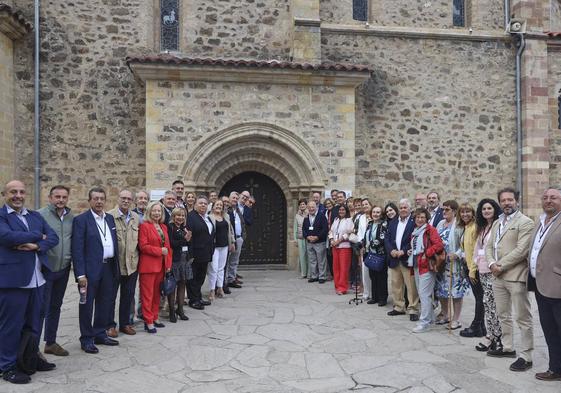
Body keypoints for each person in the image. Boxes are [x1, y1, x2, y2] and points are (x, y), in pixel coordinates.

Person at [0, 180, 58, 384]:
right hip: (13, 281)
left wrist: (35, 245)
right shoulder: (1, 217)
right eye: (13, 192)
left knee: (34, 324)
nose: (18, 195)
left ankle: (30, 359)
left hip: (38, 280)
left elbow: (53, 237)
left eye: (21, 192)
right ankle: (7, 367)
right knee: (11, 326)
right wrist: (37, 235)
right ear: (4, 194)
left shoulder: (35, 216)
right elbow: (7, 237)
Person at [485, 187, 534, 372]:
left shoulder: (525, 222)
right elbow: (489, 246)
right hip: (497, 277)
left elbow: (521, 250)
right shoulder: (498, 222)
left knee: (523, 317)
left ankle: (527, 356)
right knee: (502, 314)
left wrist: (499, 266)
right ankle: (507, 348)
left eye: (510, 200)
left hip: (515, 276)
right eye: (503, 200)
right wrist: (491, 264)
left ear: (517, 201)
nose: (507, 203)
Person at [72, 187, 120, 353]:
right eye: (96, 199)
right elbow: (77, 249)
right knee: (86, 305)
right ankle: (86, 338)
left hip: (108, 268)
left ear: (105, 201)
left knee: (104, 303)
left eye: (102, 199)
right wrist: (80, 274)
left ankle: (100, 333)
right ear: (90, 201)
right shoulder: (81, 220)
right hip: (89, 271)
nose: (99, 201)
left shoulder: (110, 219)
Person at [527, 187, 561, 381]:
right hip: (541, 286)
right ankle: (555, 368)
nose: (549, 200)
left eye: (554, 197)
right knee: (549, 330)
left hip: (558, 286)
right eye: (546, 197)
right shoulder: (540, 222)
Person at [37, 185, 73, 357]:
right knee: (40, 309)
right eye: (57, 196)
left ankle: (50, 342)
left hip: (64, 269)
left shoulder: (71, 217)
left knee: (55, 306)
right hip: (46, 269)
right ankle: (33, 348)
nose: (60, 200)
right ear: (50, 198)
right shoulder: (39, 215)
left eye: (64, 197)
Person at [107, 189, 140, 336]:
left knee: (128, 295)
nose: (126, 201)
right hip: (114, 265)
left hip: (131, 265)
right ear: (118, 199)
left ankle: (125, 324)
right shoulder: (109, 216)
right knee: (110, 297)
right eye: (123, 198)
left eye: (129, 198)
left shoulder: (135, 217)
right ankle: (110, 325)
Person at [473, 198, 503, 353]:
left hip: (494, 270)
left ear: (495, 209)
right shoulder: (483, 227)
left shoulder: (498, 226)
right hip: (483, 270)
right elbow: (478, 247)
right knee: (487, 303)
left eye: (489, 208)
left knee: (494, 306)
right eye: (484, 209)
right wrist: (476, 263)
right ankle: (491, 335)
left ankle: (497, 337)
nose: (486, 211)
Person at [408, 208, 444, 333]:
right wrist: (411, 251)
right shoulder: (416, 231)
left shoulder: (430, 230)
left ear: (426, 218)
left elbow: (439, 245)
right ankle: (430, 318)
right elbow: (416, 247)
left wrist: (426, 253)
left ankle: (424, 322)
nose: (419, 219)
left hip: (427, 266)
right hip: (417, 265)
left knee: (424, 295)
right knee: (423, 294)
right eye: (417, 217)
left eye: (422, 217)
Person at [138, 202, 172, 333]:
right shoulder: (145, 226)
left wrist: (168, 264)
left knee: (158, 294)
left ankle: (155, 316)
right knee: (148, 295)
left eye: (159, 211)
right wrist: (159, 251)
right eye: (154, 211)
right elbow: (143, 246)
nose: (157, 213)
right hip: (148, 266)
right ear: (149, 212)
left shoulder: (163, 227)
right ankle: (148, 321)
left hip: (162, 266)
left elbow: (168, 248)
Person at [435, 200, 469, 329]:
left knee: (456, 292)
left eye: (447, 209)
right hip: (441, 263)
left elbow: (465, 244)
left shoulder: (460, 225)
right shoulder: (440, 223)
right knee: (442, 291)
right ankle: (445, 314)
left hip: (454, 264)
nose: (444, 212)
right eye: (443, 209)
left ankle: (456, 319)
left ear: (454, 211)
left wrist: (457, 254)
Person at [384, 198, 419, 321]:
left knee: (411, 286)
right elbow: (387, 238)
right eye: (401, 207)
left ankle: (413, 309)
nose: (403, 210)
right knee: (396, 284)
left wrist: (403, 251)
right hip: (394, 258)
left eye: (405, 207)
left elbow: (414, 239)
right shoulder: (393, 221)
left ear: (410, 209)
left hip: (407, 258)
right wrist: (391, 250)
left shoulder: (414, 222)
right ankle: (399, 307)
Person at [457, 203, 485, 338]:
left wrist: (472, 270)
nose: (465, 214)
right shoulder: (466, 227)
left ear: (473, 213)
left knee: (480, 298)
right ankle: (482, 327)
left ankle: (476, 326)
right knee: (479, 297)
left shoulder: (474, 228)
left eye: (467, 212)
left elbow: (477, 250)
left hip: (475, 268)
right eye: (462, 212)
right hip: (468, 266)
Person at [186, 195, 215, 310]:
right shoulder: (191, 217)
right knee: (193, 278)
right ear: (195, 204)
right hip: (195, 254)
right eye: (200, 203)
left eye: (205, 203)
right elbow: (190, 237)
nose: (203, 205)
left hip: (206, 253)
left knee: (201, 277)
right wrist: (190, 255)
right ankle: (193, 300)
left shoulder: (206, 217)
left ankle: (198, 297)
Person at [167, 208, 192, 322]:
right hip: (174, 260)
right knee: (173, 286)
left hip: (184, 260)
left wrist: (189, 239)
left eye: (182, 215)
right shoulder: (170, 227)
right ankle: (172, 311)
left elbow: (188, 242)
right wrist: (184, 239)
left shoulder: (184, 228)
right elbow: (172, 244)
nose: (180, 217)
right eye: (178, 215)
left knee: (182, 284)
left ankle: (180, 309)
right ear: (173, 216)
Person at [208, 199, 234, 300]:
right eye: (217, 205)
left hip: (224, 245)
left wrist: (232, 242)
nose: (219, 206)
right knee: (213, 269)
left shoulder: (226, 216)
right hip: (214, 246)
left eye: (221, 205)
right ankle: (212, 290)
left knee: (221, 268)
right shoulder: (209, 217)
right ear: (213, 206)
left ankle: (220, 288)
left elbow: (230, 230)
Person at [363, 205, 389, 306]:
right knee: (373, 276)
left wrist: (374, 243)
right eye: (374, 212)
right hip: (371, 253)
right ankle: (375, 297)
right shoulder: (370, 224)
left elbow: (384, 238)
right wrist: (362, 243)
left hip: (381, 254)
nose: (375, 214)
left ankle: (383, 298)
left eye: (378, 212)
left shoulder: (384, 224)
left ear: (381, 214)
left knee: (381, 277)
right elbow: (366, 236)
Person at [329, 205, 354, 294]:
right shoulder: (336, 220)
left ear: (346, 211)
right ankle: (337, 286)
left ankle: (342, 288)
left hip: (344, 246)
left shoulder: (349, 220)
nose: (341, 211)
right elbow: (331, 231)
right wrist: (332, 240)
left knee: (344, 268)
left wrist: (338, 241)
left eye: (343, 210)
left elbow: (349, 232)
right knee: (336, 267)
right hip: (335, 246)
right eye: (340, 210)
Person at [303, 200, 329, 283]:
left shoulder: (321, 216)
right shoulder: (306, 217)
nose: (311, 209)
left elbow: (325, 229)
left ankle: (322, 276)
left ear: (316, 207)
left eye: (313, 207)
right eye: (309, 207)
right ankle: (314, 276)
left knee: (321, 260)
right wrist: (307, 236)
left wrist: (317, 237)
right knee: (312, 260)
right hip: (309, 242)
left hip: (319, 242)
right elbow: (304, 229)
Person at [226, 191, 245, 289]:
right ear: (229, 199)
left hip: (238, 238)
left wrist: (242, 236)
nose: (235, 200)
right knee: (227, 260)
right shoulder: (226, 210)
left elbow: (242, 224)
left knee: (234, 260)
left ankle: (231, 279)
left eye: (236, 199)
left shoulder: (237, 210)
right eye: (233, 198)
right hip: (230, 239)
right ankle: (225, 281)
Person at [357, 198, 372, 300]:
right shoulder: (361, 217)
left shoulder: (375, 215)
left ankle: (374, 293)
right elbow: (359, 232)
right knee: (365, 270)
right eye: (363, 204)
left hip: (374, 247)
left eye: (366, 204)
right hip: (364, 247)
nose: (365, 206)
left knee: (374, 272)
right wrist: (361, 245)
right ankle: (366, 293)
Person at [294, 198, 308, 279]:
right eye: (301, 204)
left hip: (308, 237)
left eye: (303, 204)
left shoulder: (309, 214)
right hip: (300, 237)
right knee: (302, 255)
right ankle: (303, 273)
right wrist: (295, 239)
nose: (302, 205)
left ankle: (310, 272)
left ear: (306, 205)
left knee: (309, 255)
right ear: (299, 206)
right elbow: (295, 227)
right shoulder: (297, 215)